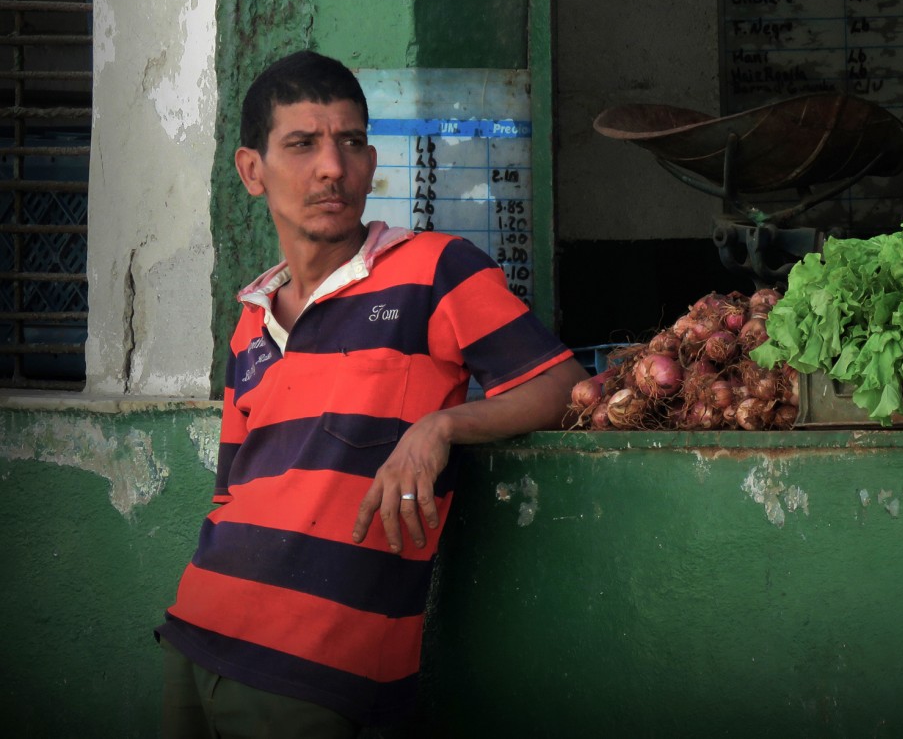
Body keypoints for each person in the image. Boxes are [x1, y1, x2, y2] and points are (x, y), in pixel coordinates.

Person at [156, 50, 588, 736]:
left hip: (319, 676)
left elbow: (566, 389)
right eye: (302, 144)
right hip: (194, 635)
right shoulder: (250, 319)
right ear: (251, 172)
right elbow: (230, 491)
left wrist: (439, 429)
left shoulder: (437, 270)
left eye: (352, 141)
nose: (334, 167)